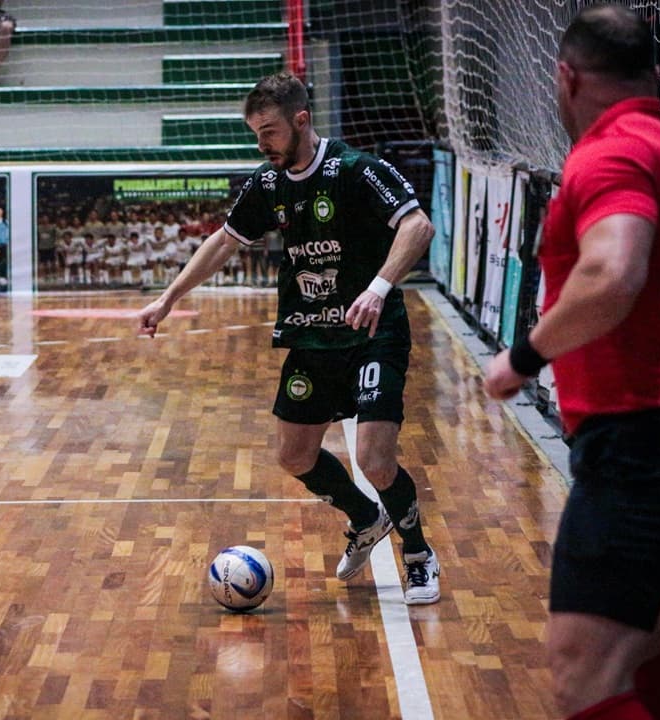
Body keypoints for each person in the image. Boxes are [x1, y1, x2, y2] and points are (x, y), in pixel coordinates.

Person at [483, 7, 660, 720]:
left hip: (640, 442)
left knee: (580, 672)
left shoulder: (611, 153)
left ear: (567, 76)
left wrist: (523, 358)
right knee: (634, 650)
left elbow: (614, 271)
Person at [138, 72, 441, 605]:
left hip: (372, 331)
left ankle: (418, 554)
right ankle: (366, 518)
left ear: (302, 120)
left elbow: (417, 227)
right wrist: (168, 299)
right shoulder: (268, 183)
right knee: (295, 456)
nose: (262, 144)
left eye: (270, 132)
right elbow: (223, 242)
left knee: (374, 459)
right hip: (310, 337)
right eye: (256, 133)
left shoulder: (356, 170)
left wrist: (377, 287)